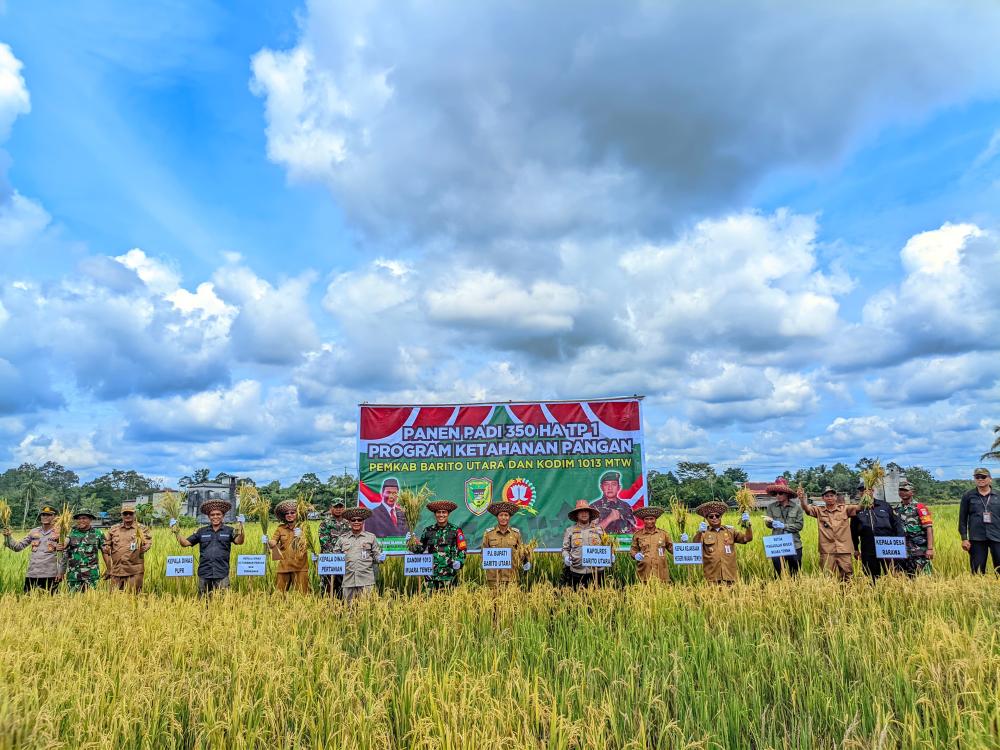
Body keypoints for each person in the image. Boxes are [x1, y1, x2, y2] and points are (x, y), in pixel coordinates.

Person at [173, 499, 245, 595]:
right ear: (208, 517)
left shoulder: (229, 530)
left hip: (221, 573)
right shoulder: (201, 531)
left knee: (224, 600)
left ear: (223, 516)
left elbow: (239, 541)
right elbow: (185, 543)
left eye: (218, 514)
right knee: (203, 600)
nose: (215, 517)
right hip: (204, 573)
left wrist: (242, 527)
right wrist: (176, 531)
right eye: (212, 515)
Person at [800, 486, 860, 581]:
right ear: (823, 498)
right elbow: (807, 509)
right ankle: (831, 591)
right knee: (827, 575)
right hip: (827, 550)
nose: (829, 498)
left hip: (843, 549)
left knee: (847, 574)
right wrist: (802, 499)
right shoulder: (819, 510)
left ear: (836, 497)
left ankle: (847, 590)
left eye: (832, 495)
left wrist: (867, 495)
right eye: (827, 496)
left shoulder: (845, 509)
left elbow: (860, 507)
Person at [851, 481, 904, 582]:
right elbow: (853, 531)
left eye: (868, 489)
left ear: (873, 490)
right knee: (870, 576)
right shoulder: (856, 509)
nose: (865, 492)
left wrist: (900, 543)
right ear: (859, 493)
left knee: (891, 573)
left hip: (887, 545)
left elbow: (897, 525)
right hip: (868, 547)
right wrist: (856, 549)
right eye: (862, 490)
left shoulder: (885, 506)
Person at [3, 504, 63, 592]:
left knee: (51, 599)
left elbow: (65, 554)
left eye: (49, 515)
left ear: (55, 517)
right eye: (43, 515)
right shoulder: (34, 531)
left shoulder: (60, 532)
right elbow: (18, 547)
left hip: (50, 574)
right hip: (32, 573)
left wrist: (61, 572)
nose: (45, 517)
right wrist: (8, 537)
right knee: (28, 599)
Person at [334, 507, 385, 605]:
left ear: (363, 522)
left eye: (359, 520)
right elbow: (334, 559)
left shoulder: (371, 537)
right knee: (349, 609)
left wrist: (380, 558)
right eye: (353, 520)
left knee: (367, 609)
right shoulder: (343, 539)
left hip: (366, 580)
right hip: (348, 580)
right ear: (349, 522)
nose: (356, 522)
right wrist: (318, 559)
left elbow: (376, 556)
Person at [693, 501, 752, 584]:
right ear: (707, 519)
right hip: (712, 578)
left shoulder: (730, 531)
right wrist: (699, 532)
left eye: (717, 516)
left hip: (730, 576)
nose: (714, 518)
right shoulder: (703, 533)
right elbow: (695, 547)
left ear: (721, 517)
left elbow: (747, 538)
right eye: (711, 516)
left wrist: (748, 525)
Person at [103, 502, 152, 592]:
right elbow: (106, 543)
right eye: (125, 514)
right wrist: (106, 547)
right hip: (117, 570)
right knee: (114, 597)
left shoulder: (142, 529)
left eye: (130, 513)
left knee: (133, 596)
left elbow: (148, 542)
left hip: (134, 571)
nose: (128, 515)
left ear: (134, 514)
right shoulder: (114, 529)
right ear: (122, 515)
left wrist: (146, 546)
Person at [418, 500, 467, 590]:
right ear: (435, 514)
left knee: (450, 598)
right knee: (429, 598)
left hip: (449, 574)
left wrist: (460, 562)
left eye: (444, 512)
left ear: (448, 514)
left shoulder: (456, 530)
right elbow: (419, 549)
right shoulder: (428, 530)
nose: (441, 515)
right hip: (431, 576)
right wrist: (410, 543)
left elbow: (462, 548)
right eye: (438, 512)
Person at [959, 467, 1000, 575]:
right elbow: (962, 518)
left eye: (983, 477)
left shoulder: (998, 495)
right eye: (977, 477)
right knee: (977, 570)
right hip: (977, 538)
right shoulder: (968, 496)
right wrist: (964, 538)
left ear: (990, 479)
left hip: (997, 536)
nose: (980, 479)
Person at [481, 501, 530, 590]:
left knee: (512, 598)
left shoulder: (516, 534)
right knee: (493, 599)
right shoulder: (489, 534)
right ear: (497, 517)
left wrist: (526, 561)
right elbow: (484, 553)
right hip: (494, 577)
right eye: (501, 515)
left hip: (512, 576)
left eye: (506, 515)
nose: (503, 518)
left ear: (509, 517)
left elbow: (521, 552)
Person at [763, 478, 805, 577]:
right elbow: (768, 525)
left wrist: (784, 526)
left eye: (780, 493)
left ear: (787, 494)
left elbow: (799, 526)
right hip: (777, 544)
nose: (778, 495)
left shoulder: (797, 508)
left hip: (794, 544)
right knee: (778, 572)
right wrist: (770, 522)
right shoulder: (771, 507)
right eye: (776, 493)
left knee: (795, 573)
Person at [266, 500, 310, 592]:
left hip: (300, 566)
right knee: (279, 594)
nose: (289, 515)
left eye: (292, 513)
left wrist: (301, 536)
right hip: (284, 565)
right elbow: (274, 541)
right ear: (284, 516)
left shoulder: (304, 528)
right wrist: (267, 541)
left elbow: (309, 545)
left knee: (302, 594)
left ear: (297, 514)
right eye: (287, 513)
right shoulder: (280, 528)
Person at [561, 500, 605, 589]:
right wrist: (566, 557)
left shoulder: (599, 530)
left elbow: (607, 546)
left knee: (597, 596)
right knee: (577, 595)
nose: (584, 513)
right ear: (576, 515)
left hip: (596, 571)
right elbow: (565, 549)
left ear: (589, 514)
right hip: (576, 570)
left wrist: (611, 555)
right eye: (581, 511)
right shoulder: (570, 530)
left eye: (586, 511)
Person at [896, 480, 934, 576]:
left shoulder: (920, 508)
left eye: (906, 490)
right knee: (905, 576)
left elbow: (929, 528)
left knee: (923, 576)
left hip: (919, 549)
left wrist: (930, 548)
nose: (903, 492)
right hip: (903, 550)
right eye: (901, 490)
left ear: (912, 492)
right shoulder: (896, 509)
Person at [61, 509, 104, 592]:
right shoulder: (70, 533)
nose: (81, 521)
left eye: (84, 518)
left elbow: (105, 552)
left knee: (92, 598)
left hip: (91, 575)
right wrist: (61, 572)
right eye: (79, 518)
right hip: (74, 576)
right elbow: (64, 552)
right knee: (72, 598)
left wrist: (109, 569)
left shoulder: (98, 533)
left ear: (90, 519)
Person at [629, 506, 673, 582]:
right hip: (644, 571)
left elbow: (672, 549)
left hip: (661, 572)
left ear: (655, 520)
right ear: (643, 520)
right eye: (647, 519)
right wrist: (635, 555)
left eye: (651, 519)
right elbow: (633, 550)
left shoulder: (663, 534)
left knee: (662, 588)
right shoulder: (637, 535)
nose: (649, 521)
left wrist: (683, 543)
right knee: (644, 588)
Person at [319, 499, 350, 598]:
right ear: (331, 508)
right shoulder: (325, 523)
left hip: (345, 558)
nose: (338, 509)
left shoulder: (348, 523)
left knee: (344, 584)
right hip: (329, 559)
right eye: (336, 507)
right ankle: (327, 604)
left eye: (340, 507)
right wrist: (336, 555)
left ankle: (343, 604)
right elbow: (324, 541)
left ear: (344, 508)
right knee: (328, 585)